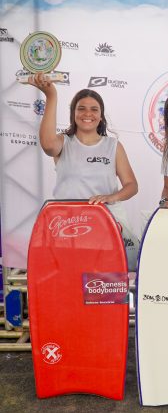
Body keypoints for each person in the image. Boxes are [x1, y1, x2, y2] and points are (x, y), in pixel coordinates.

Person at [28, 73, 139, 271]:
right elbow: (46, 144)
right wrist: (51, 96)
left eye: (94, 109)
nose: (88, 114)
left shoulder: (113, 145)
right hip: (67, 228)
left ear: (101, 115)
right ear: (73, 114)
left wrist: (111, 197)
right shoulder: (63, 142)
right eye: (81, 109)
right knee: (71, 278)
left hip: (105, 224)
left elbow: (131, 186)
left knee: (103, 284)